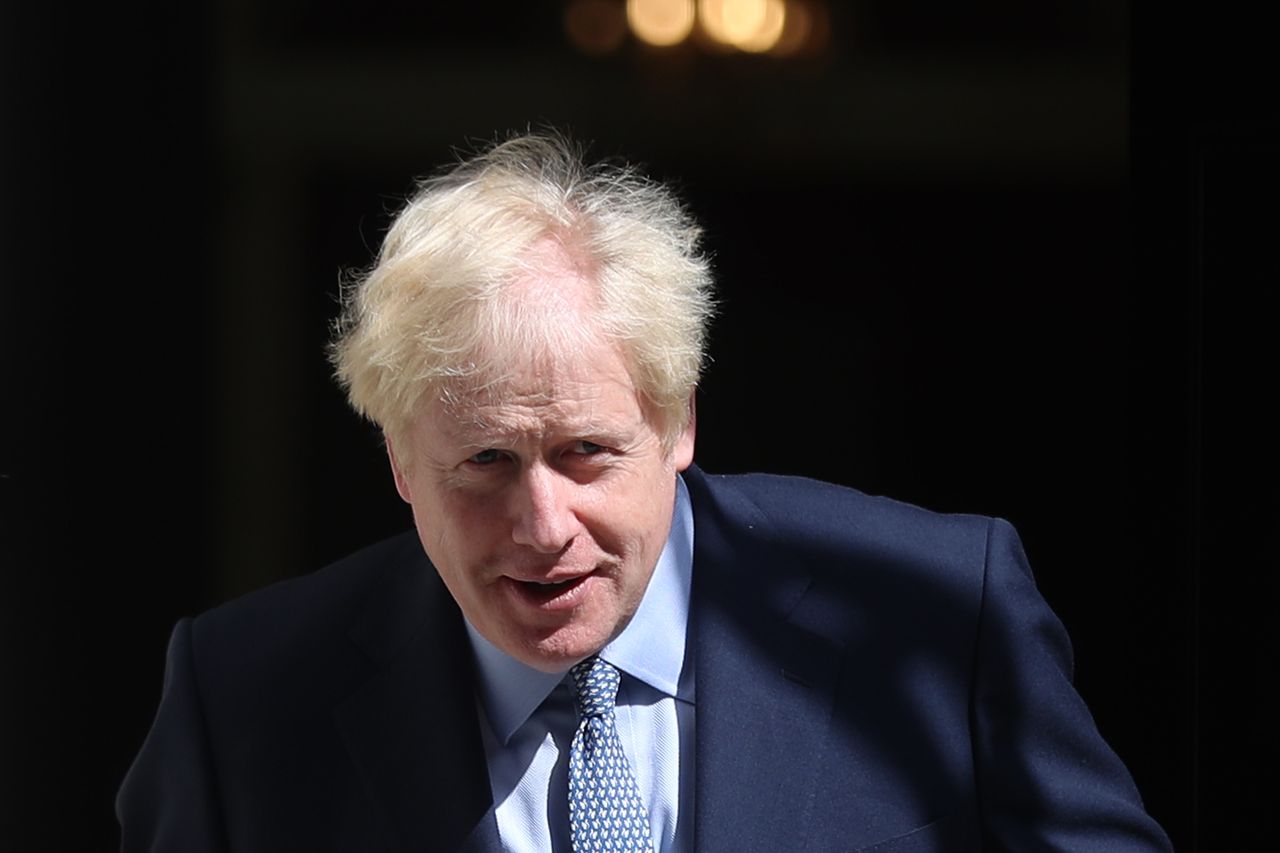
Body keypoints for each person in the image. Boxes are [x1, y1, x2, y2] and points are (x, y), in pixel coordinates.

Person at [118, 131, 1172, 852]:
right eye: (483, 462)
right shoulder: (242, 701)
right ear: (399, 461)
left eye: (585, 451)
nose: (541, 526)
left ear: (677, 426)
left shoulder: (939, 614)